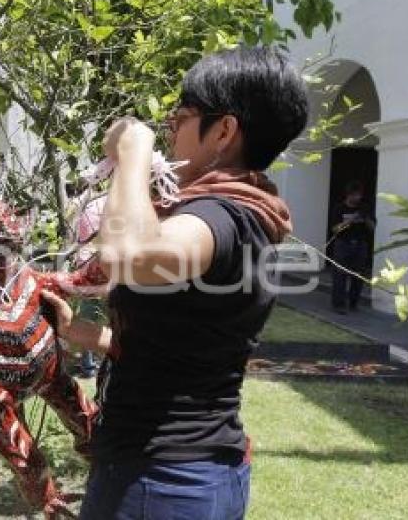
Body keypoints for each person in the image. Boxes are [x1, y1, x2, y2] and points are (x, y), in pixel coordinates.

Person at [42, 47, 306, 519]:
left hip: (161, 479)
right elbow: (185, 353)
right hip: (189, 471)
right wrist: (83, 334)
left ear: (223, 131)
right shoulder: (247, 214)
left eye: (180, 117)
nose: (169, 130)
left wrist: (132, 152)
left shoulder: (221, 216)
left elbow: (129, 254)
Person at [329, 180, 375, 313]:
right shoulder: (339, 208)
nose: (357, 198)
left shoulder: (365, 208)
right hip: (343, 245)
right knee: (340, 275)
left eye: (359, 195)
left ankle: (353, 303)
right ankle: (338, 305)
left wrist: (365, 218)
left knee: (358, 276)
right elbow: (335, 229)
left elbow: (372, 228)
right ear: (348, 195)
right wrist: (349, 221)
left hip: (361, 245)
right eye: (354, 195)